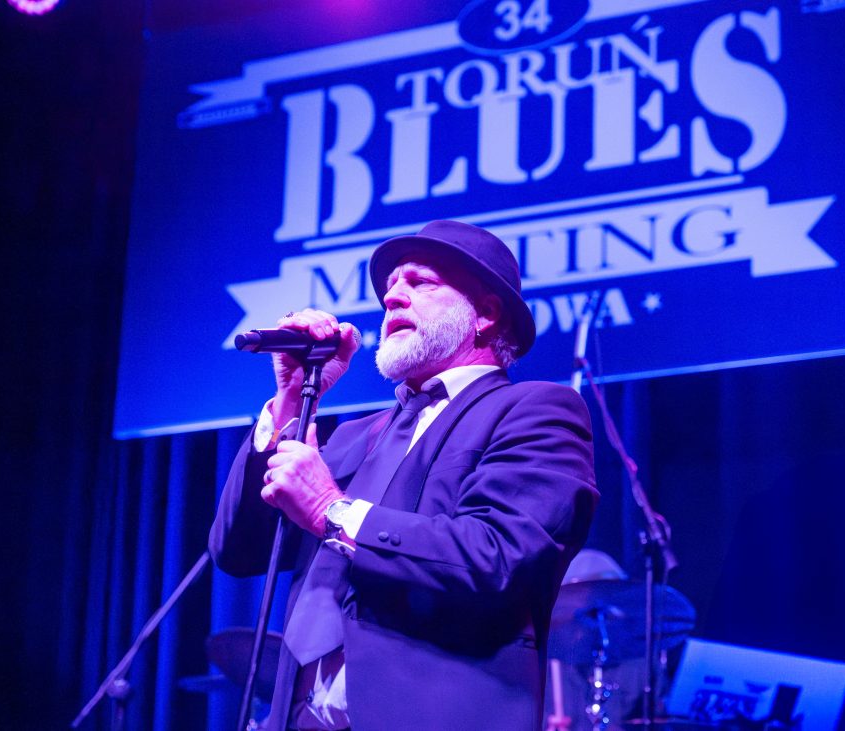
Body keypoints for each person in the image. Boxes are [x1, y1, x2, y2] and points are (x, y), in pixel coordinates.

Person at [210, 220, 599, 731]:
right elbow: (239, 551)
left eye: (420, 282)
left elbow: (497, 557)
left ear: (485, 314)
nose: (392, 297)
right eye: (391, 286)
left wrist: (330, 510)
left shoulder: (534, 411)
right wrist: (289, 401)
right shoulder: (353, 436)